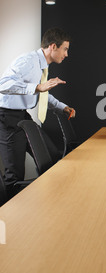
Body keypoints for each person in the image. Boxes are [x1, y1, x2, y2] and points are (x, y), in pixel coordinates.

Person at [0, 28, 75, 199]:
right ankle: (10, 218)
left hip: (22, 116)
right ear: (53, 46)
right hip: (7, 118)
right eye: (65, 49)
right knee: (14, 175)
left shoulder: (42, 65)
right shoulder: (28, 61)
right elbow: (3, 84)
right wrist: (36, 87)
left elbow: (43, 91)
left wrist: (62, 107)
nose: (66, 54)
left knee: (53, 157)